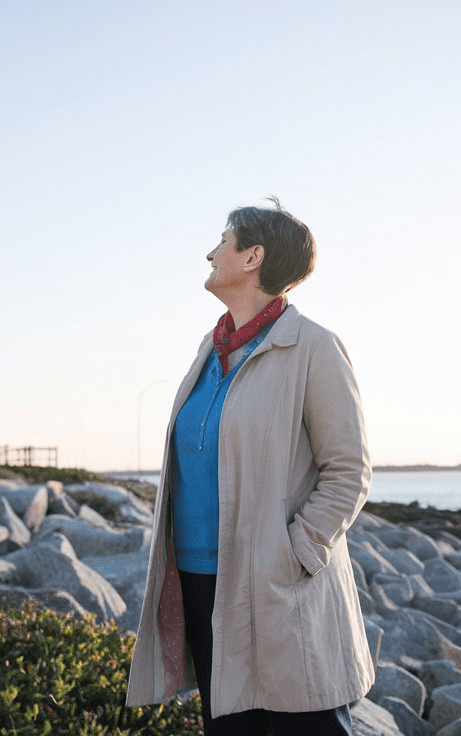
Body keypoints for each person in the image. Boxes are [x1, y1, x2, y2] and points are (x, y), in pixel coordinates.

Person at [127, 199, 374, 735]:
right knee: (230, 727)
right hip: (199, 577)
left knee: (305, 723)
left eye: (223, 241)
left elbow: (348, 469)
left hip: (275, 580)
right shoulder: (208, 348)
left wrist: (295, 554)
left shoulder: (313, 347)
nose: (211, 253)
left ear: (253, 256)